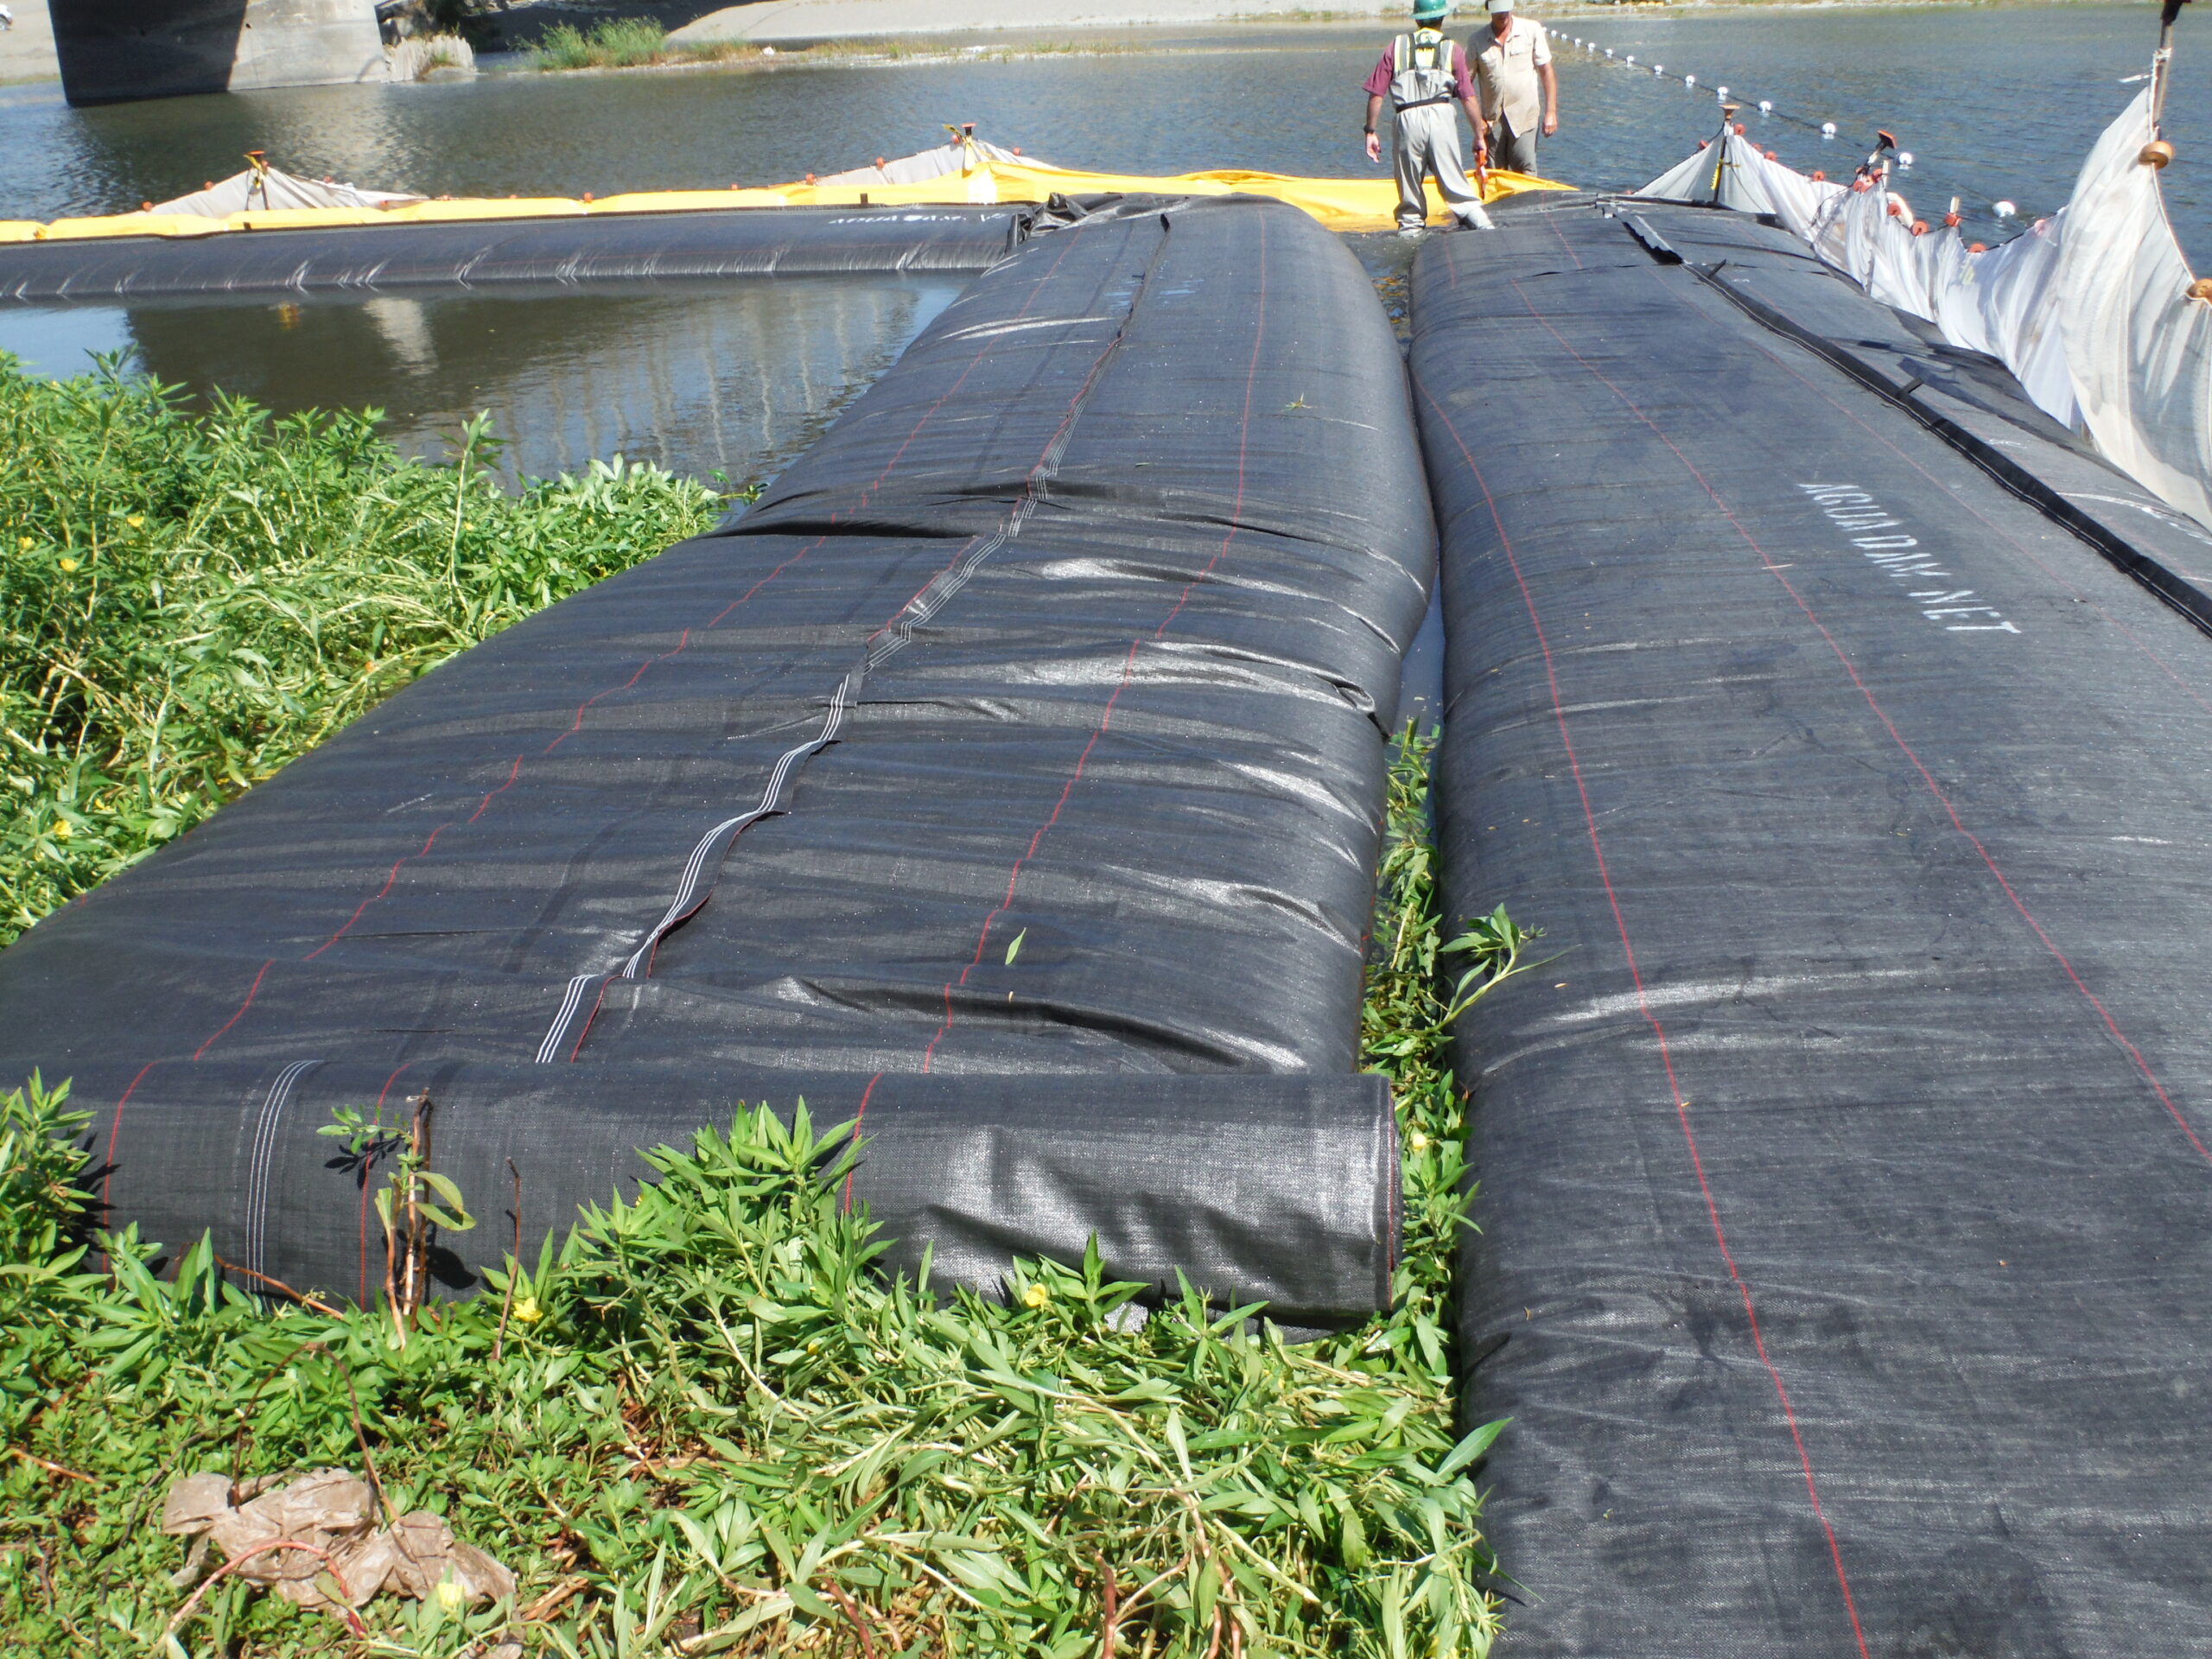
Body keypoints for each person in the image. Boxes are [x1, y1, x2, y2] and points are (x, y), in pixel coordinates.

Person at [1363, 0, 1494, 238]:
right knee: (1456, 185)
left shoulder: (1396, 46)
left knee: (1410, 194)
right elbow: (1468, 98)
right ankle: (1486, 229)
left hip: (1407, 118)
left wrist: (1370, 131)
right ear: (1442, 18)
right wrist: (1478, 135)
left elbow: (1376, 95)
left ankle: (1410, 236)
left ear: (1417, 18)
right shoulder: (1451, 48)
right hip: (1441, 116)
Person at [1471, 0, 1558, 176]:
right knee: (1494, 176)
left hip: (1524, 117)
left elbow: (1546, 71)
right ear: (1488, 8)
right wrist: (1477, 121)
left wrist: (1551, 112)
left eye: (1505, 9)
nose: (1502, 14)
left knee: (1526, 173)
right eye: (1498, 10)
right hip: (1492, 123)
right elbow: (1465, 84)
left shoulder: (1532, 30)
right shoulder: (1476, 41)